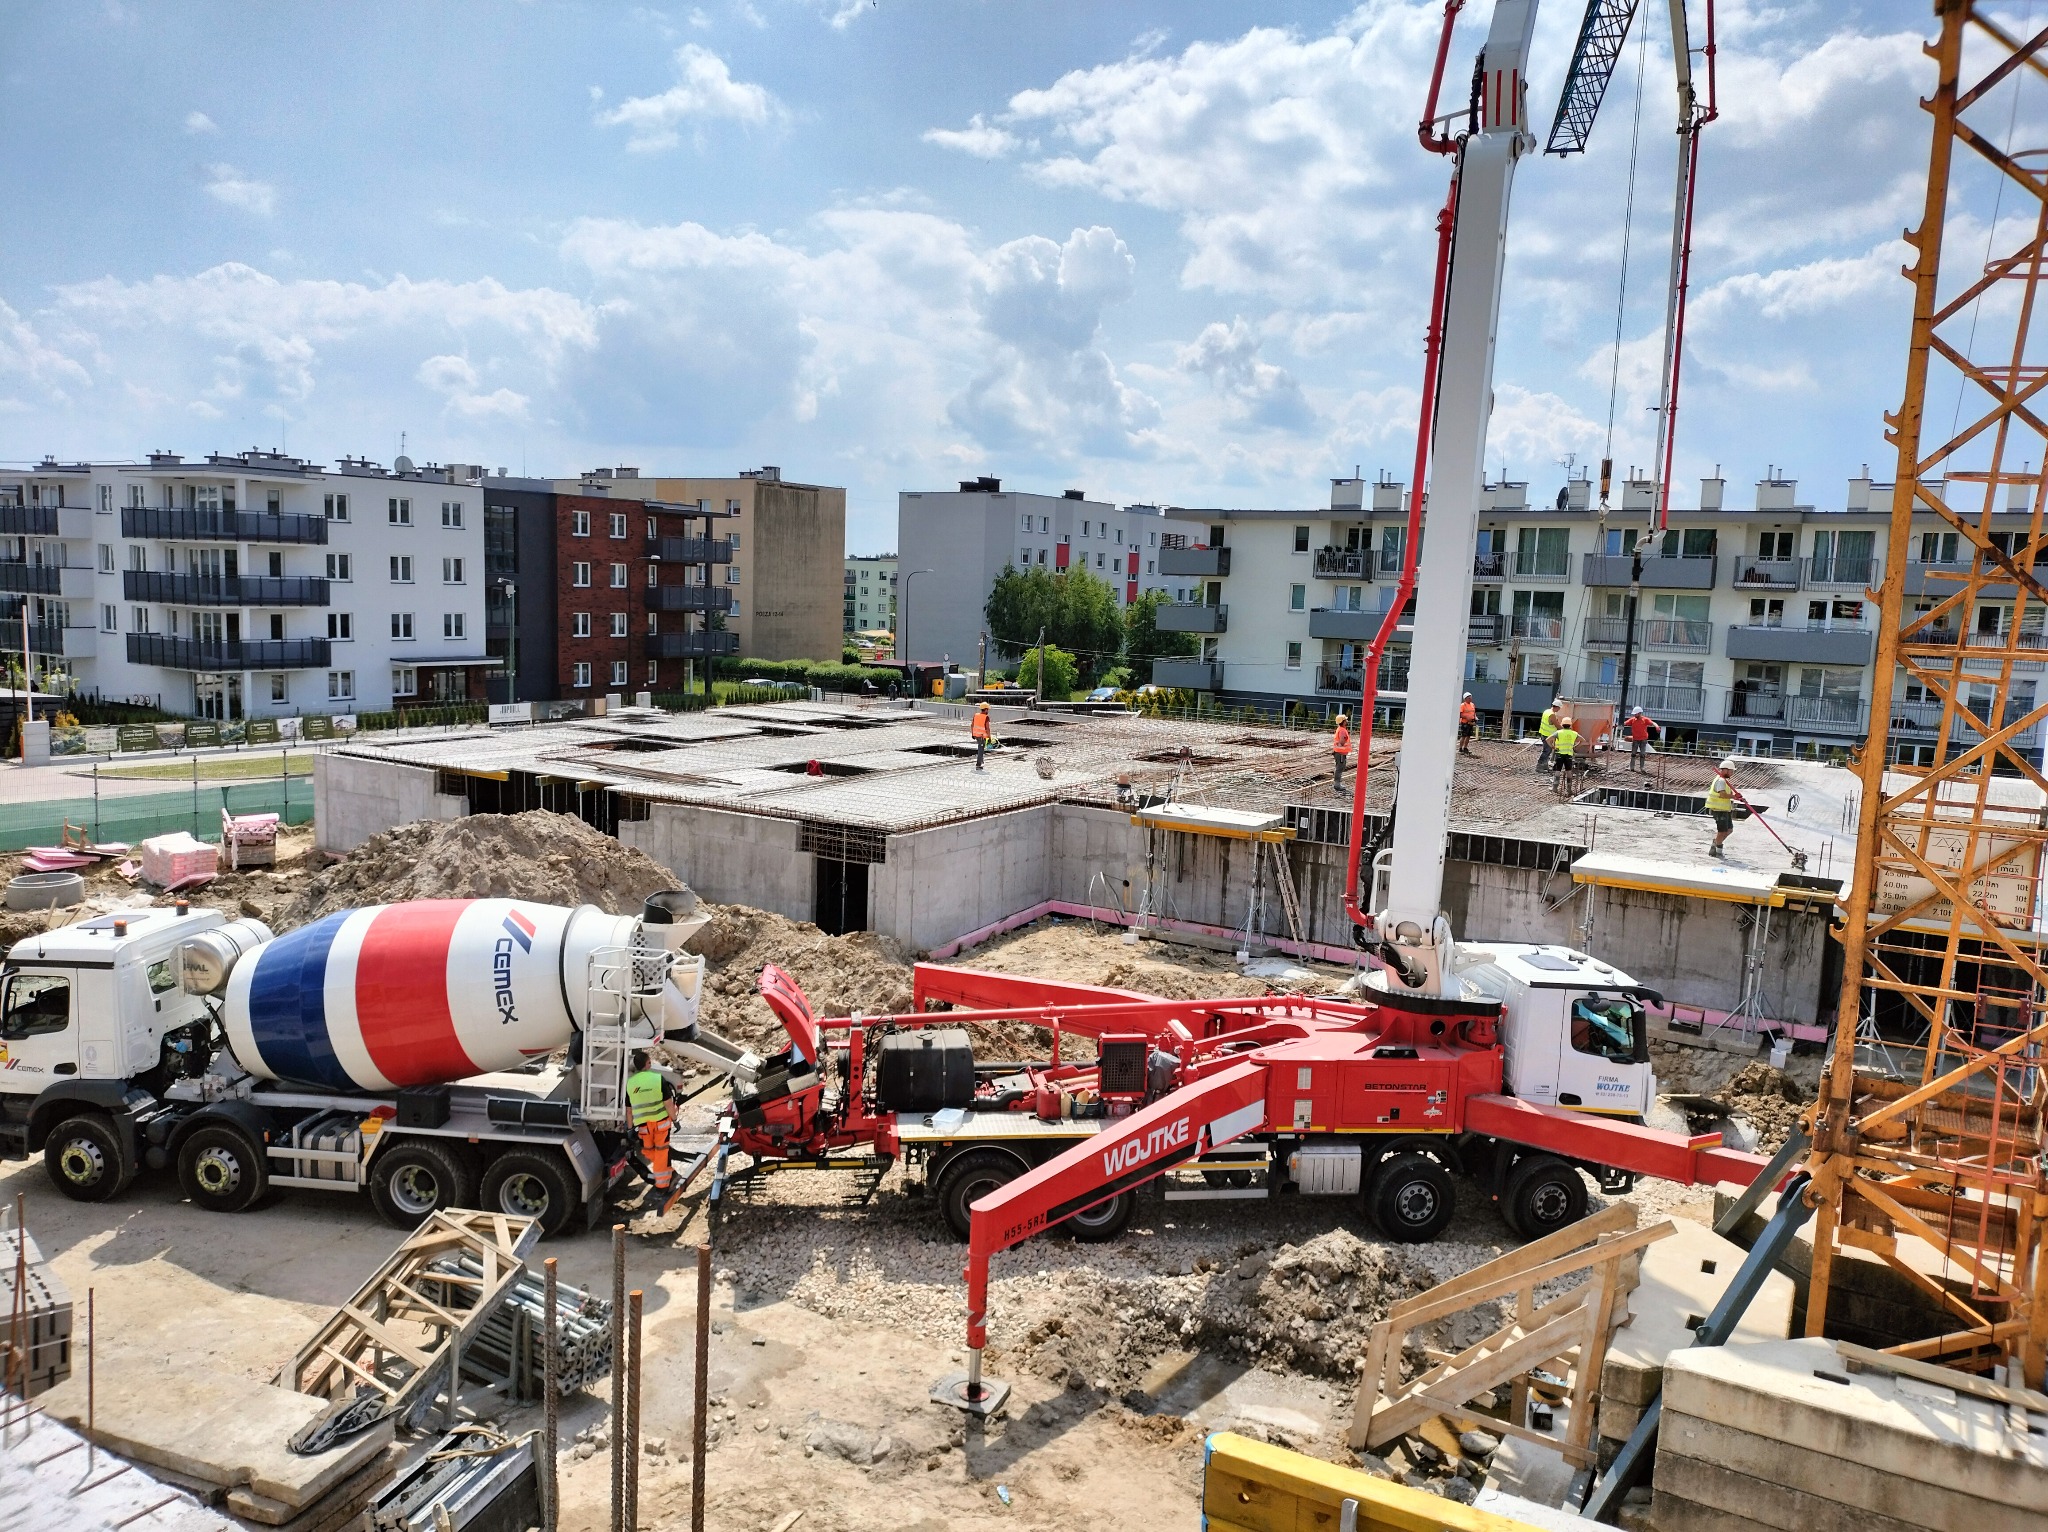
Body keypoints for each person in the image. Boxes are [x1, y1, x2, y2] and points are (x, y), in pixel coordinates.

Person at [625, 1053, 675, 1192]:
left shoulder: (630, 1083)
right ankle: (663, 1185)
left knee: (647, 1151)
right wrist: (675, 1119)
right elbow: (668, 1103)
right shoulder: (658, 1079)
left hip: (643, 1127)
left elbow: (628, 1110)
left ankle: (667, 1174)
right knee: (660, 1152)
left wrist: (629, 1129)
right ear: (647, 1064)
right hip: (661, 1124)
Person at [1706, 755, 1740, 859]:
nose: (1732, 773)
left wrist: (1735, 797)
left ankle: (1715, 843)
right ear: (1725, 770)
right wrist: (1734, 796)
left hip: (1725, 810)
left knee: (1729, 830)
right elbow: (1722, 795)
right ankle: (1717, 852)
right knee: (1722, 831)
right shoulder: (1720, 781)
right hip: (1718, 810)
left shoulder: (1724, 781)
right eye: (1731, 771)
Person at [1622, 706, 1663, 772]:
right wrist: (1617, 725)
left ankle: (1642, 768)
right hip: (1635, 739)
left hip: (1643, 740)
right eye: (1634, 714)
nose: (1635, 715)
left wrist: (1657, 727)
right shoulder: (1632, 720)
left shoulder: (1645, 720)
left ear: (1639, 713)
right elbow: (1624, 723)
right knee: (1633, 754)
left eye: (1636, 714)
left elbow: (1653, 723)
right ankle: (1631, 767)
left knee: (1642, 754)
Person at [1550, 715, 1581, 783]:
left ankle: (1555, 787)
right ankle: (1569, 789)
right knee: (1569, 771)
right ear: (1570, 725)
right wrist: (1575, 746)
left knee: (1558, 770)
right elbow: (1583, 740)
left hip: (1559, 754)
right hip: (1569, 754)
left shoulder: (1558, 733)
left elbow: (1547, 740)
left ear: (1562, 724)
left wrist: (1552, 746)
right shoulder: (1574, 733)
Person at [1330, 711, 1352, 796]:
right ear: (1342, 722)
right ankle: (1337, 785)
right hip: (1340, 753)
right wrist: (1345, 739)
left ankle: (1337, 783)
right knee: (1340, 768)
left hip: (1339, 752)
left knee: (1339, 767)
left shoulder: (1340, 729)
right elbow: (1342, 742)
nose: (1347, 721)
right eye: (1345, 720)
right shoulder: (1342, 730)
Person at [1537, 702, 1560, 769]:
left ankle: (1545, 765)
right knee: (1547, 751)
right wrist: (1566, 730)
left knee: (1547, 750)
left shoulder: (1546, 711)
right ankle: (1539, 766)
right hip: (1548, 736)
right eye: (1559, 708)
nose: (1559, 710)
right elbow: (1557, 725)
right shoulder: (1552, 714)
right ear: (1557, 707)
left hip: (1544, 734)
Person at [970, 701, 993, 770]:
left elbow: (972, 725)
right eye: (987, 709)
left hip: (976, 735)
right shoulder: (986, 717)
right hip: (982, 736)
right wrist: (989, 737)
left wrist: (972, 734)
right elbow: (987, 728)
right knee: (981, 749)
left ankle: (981, 761)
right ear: (985, 709)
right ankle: (978, 764)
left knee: (981, 748)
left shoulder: (976, 715)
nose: (988, 710)